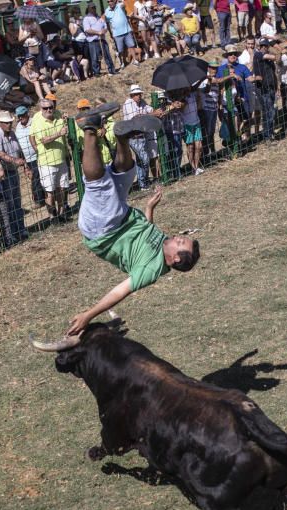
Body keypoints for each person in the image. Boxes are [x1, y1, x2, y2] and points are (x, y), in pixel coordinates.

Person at [66, 103, 199, 335]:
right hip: (123, 215)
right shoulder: (163, 243)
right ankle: (122, 138)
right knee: (126, 173)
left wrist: (89, 315)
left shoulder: (150, 271)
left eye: (180, 243)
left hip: (104, 230)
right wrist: (149, 208)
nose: (178, 237)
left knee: (100, 185)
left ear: (174, 259)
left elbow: (120, 291)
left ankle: (88, 127)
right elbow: (146, 234)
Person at [0, 110, 29, 245]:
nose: (9, 125)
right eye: (6, 123)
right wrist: (14, 160)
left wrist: (24, 164)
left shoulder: (12, 134)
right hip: (3, 174)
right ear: (0, 123)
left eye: (10, 122)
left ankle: (20, 230)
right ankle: (11, 235)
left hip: (13, 172)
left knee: (17, 201)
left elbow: (19, 150)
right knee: (8, 204)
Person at [29, 98, 71, 222]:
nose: (48, 110)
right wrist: (59, 133)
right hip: (47, 162)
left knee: (62, 188)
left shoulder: (58, 114)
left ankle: (62, 214)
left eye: (50, 107)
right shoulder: (38, 121)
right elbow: (44, 140)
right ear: (40, 109)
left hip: (61, 158)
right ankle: (53, 217)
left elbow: (65, 128)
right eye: (45, 108)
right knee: (50, 191)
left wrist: (66, 119)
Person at [121, 84, 160, 190]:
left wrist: (156, 112)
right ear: (132, 95)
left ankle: (142, 183)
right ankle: (143, 182)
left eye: (139, 94)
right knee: (145, 159)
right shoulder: (128, 104)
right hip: (133, 136)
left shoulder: (142, 103)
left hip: (142, 135)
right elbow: (135, 118)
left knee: (141, 159)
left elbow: (150, 110)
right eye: (136, 94)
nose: (139, 96)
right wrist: (152, 115)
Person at [14, 105, 46, 207]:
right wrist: (23, 162)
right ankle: (39, 198)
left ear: (27, 114)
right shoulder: (18, 127)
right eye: (18, 116)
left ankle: (40, 200)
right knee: (34, 177)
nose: (20, 118)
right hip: (27, 159)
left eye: (22, 115)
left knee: (38, 176)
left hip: (38, 155)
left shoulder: (34, 122)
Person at [106, 0, 142, 67]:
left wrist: (121, 2)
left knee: (131, 46)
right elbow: (108, 23)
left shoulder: (119, 6)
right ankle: (123, 62)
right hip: (117, 33)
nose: (110, 2)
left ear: (114, 1)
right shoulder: (107, 11)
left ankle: (135, 60)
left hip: (126, 30)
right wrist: (111, 33)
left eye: (111, 1)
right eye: (108, 1)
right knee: (120, 49)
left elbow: (124, 4)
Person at [83, 3, 117, 76]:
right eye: (92, 8)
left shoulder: (100, 18)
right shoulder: (86, 18)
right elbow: (87, 30)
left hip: (102, 39)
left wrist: (103, 31)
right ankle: (97, 72)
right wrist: (97, 32)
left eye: (94, 7)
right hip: (93, 41)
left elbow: (105, 27)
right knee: (95, 57)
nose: (94, 9)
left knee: (107, 55)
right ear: (89, 9)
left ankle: (111, 69)